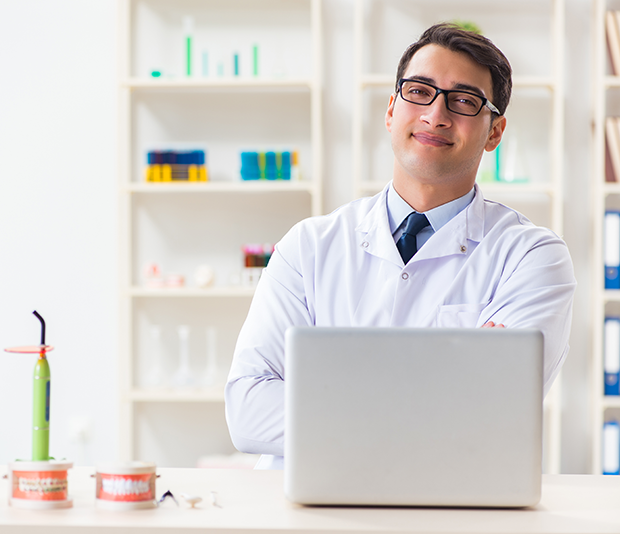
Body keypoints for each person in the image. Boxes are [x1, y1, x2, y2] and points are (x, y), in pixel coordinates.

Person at [224, 23, 577, 470]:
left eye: (465, 101)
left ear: (494, 132)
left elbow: (494, 413)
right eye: (419, 91)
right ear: (391, 110)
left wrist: (327, 401)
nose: (436, 114)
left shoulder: (531, 258)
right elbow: (248, 413)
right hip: (312, 511)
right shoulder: (308, 246)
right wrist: (440, 394)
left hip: (449, 510)